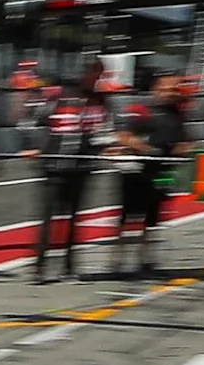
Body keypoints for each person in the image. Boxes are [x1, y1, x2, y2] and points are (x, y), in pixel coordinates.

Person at [30, 68, 107, 283]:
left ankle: (68, 265)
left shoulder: (98, 104)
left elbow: (100, 135)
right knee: (48, 219)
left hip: (80, 170)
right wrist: (38, 148)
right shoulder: (57, 101)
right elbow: (36, 125)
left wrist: (101, 151)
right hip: (54, 168)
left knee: (73, 219)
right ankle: (40, 267)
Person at [105, 72, 178, 276]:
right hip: (135, 171)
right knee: (127, 216)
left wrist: (182, 149)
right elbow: (123, 136)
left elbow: (185, 139)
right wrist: (145, 149)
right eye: (170, 89)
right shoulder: (141, 109)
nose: (174, 92)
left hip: (163, 172)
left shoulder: (176, 113)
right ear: (157, 88)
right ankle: (117, 259)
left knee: (154, 218)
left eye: (176, 89)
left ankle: (146, 259)